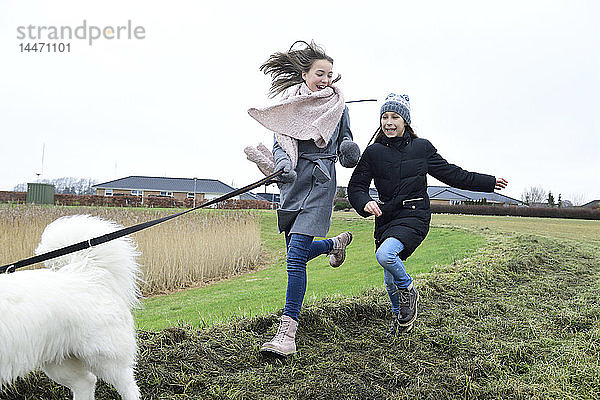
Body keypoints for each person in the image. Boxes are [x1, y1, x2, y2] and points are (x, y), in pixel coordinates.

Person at [347, 93, 508, 334]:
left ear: (406, 121)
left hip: (414, 214)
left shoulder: (421, 148)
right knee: (390, 278)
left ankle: (409, 289)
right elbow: (356, 186)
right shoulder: (373, 152)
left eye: (395, 117)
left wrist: (488, 182)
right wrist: (365, 202)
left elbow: (454, 174)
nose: (389, 122)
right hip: (386, 218)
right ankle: (401, 322)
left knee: (385, 256)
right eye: (385, 117)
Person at [245, 40, 361, 356]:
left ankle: (287, 333)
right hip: (293, 185)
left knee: (295, 258)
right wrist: (281, 167)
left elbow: (346, 139)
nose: (325, 80)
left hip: (321, 183)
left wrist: (350, 151)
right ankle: (334, 245)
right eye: (319, 74)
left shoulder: (339, 107)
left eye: (329, 75)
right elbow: (281, 144)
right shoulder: (289, 107)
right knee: (299, 252)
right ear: (305, 73)